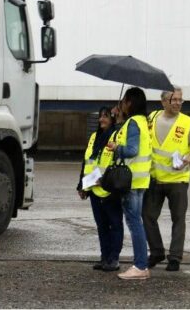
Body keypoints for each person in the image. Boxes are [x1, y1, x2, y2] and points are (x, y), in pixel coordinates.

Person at [142, 87, 190, 272]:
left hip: (178, 180)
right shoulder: (152, 118)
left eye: (180, 100)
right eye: (173, 99)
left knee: (178, 219)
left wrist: (187, 161)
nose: (177, 103)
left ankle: (175, 257)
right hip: (155, 179)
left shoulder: (187, 122)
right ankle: (157, 252)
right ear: (163, 102)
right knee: (148, 216)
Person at [107, 87, 152, 280]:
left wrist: (117, 147)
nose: (122, 104)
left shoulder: (133, 122)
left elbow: (132, 150)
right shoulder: (142, 122)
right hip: (140, 179)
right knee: (137, 222)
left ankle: (140, 266)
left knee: (135, 224)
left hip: (131, 181)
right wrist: (118, 121)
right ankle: (141, 265)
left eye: (124, 101)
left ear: (130, 103)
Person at [76, 106, 123, 272]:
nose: (102, 119)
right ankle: (105, 258)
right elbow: (87, 162)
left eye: (105, 116)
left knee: (115, 224)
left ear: (112, 119)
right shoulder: (94, 137)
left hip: (110, 190)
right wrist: (82, 185)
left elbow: (118, 163)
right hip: (94, 188)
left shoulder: (117, 137)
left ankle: (114, 259)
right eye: (100, 116)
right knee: (102, 226)